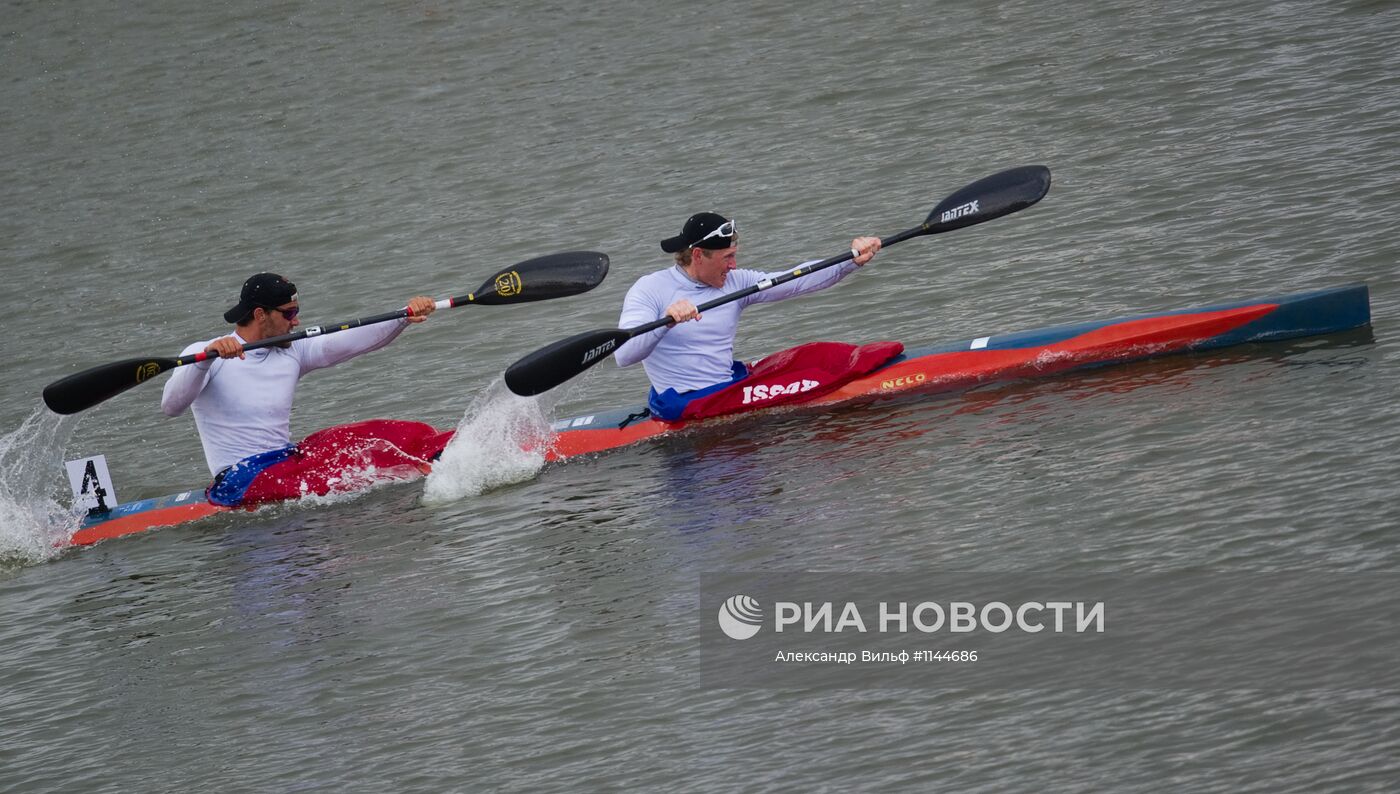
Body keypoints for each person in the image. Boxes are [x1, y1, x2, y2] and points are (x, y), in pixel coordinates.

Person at [161, 272, 437, 476]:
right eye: (289, 313)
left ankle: (443, 450)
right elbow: (172, 407)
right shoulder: (205, 354)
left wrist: (403, 316)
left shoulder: (292, 350)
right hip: (240, 476)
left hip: (285, 461)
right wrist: (202, 363)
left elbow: (351, 341)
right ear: (260, 315)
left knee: (370, 437)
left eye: (297, 311)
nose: (296, 321)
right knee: (345, 468)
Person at [615, 212, 881, 420]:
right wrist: (666, 322)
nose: (733, 265)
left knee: (819, 355)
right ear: (698, 255)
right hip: (689, 402)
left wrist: (851, 260)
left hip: (728, 385)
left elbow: (796, 281)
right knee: (814, 380)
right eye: (727, 257)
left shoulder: (735, 281)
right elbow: (624, 355)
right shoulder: (650, 290)